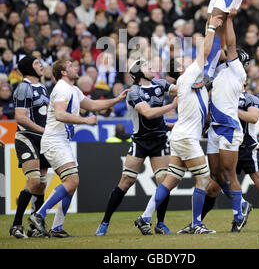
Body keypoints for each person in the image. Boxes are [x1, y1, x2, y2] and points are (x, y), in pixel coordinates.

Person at [134, 14, 223, 235]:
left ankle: (145, 217)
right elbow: (204, 52)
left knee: (170, 180)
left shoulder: (191, 80)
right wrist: (211, 27)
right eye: (183, 62)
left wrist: (217, 32)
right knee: (203, 179)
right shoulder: (188, 77)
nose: (188, 62)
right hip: (187, 138)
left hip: (180, 136)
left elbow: (210, 63)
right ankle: (196, 224)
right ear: (181, 70)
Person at [29, 59, 129, 237]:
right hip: (54, 140)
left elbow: (92, 105)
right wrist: (85, 120)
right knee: (72, 181)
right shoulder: (61, 88)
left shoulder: (73, 89)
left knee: (71, 184)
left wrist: (117, 99)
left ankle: (57, 228)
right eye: (70, 66)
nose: (75, 67)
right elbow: (59, 114)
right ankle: (39, 215)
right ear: (64, 73)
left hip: (61, 141)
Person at [179, 90, 259, 233]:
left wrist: (231, 111)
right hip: (228, 148)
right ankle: (197, 223)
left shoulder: (249, 99)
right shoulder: (218, 98)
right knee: (212, 189)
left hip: (248, 150)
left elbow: (254, 117)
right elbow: (207, 118)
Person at [95, 59, 178, 236]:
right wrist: (171, 106)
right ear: (138, 73)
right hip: (140, 141)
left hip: (160, 140)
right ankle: (104, 222)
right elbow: (147, 113)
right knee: (126, 182)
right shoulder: (134, 92)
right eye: (147, 66)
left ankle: (160, 224)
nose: (151, 68)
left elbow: (182, 90)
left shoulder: (160, 84)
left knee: (164, 183)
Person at [206, 10, 249, 232]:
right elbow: (223, 46)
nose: (227, 54)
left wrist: (229, 20)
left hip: (230, 128)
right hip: (215, 128)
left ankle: (237, 215)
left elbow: (229, 47)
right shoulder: (222, 71)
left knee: (229, 173)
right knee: (216, 174)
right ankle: (241, 204)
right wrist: (218, 23)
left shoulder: (237, 72)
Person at [10, 55, 50, 239]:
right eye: (36, 63)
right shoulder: (23, 87)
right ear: (28, 67)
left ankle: (35, 226)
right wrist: (44, 131)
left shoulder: (42, 87)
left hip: (42, 139)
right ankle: (16, 225)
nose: (41, 65)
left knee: (41, 184)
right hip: (27, 138)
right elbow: (21, 117)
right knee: (33, 181)